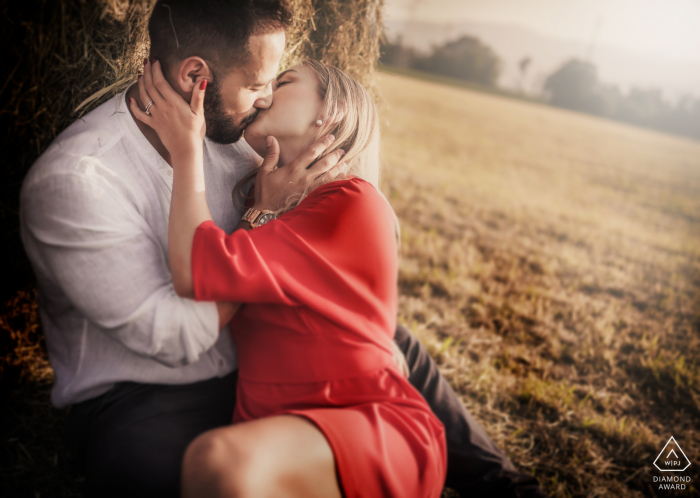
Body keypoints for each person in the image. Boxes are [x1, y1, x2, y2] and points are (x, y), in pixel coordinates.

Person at [19, 1, 546, 496]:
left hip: (259, 353)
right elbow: (177, 337)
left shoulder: (245, 139)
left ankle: (501, 483)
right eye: (258, 83)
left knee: (380, 336)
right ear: (194, 77)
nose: (268, 96)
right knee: (180, 469)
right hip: (151, 392)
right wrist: (260, 224)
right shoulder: (77, 181)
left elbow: (324, 250)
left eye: (278, 81)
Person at [133, 54, 448, 498]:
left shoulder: (351, 200)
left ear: (331, 111)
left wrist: (187, 148)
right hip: (286, 433)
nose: (262, 95)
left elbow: (194, 270)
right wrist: (261, 210)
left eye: (282, 81)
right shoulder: (286, 211)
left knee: (219, 461)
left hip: (366, 426)